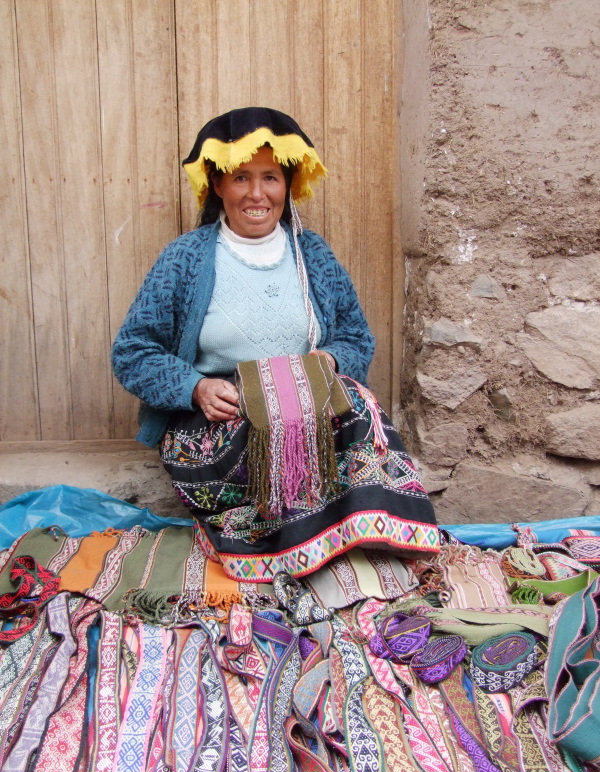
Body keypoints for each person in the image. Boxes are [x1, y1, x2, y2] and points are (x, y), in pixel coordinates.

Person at [112, 107, 438, 581]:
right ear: (217, 185)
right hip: (222, 422)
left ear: (288, 185)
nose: (257, 194)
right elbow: (134, 350)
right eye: (241, 177)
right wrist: (194, 388)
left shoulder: (314, 255)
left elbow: (355, 337)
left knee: (362, 408)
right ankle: (287, 552)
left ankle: (370, 540)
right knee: (269, 432)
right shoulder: (185, 259)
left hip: (306, 403)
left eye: (271, 177)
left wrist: (328, 362)